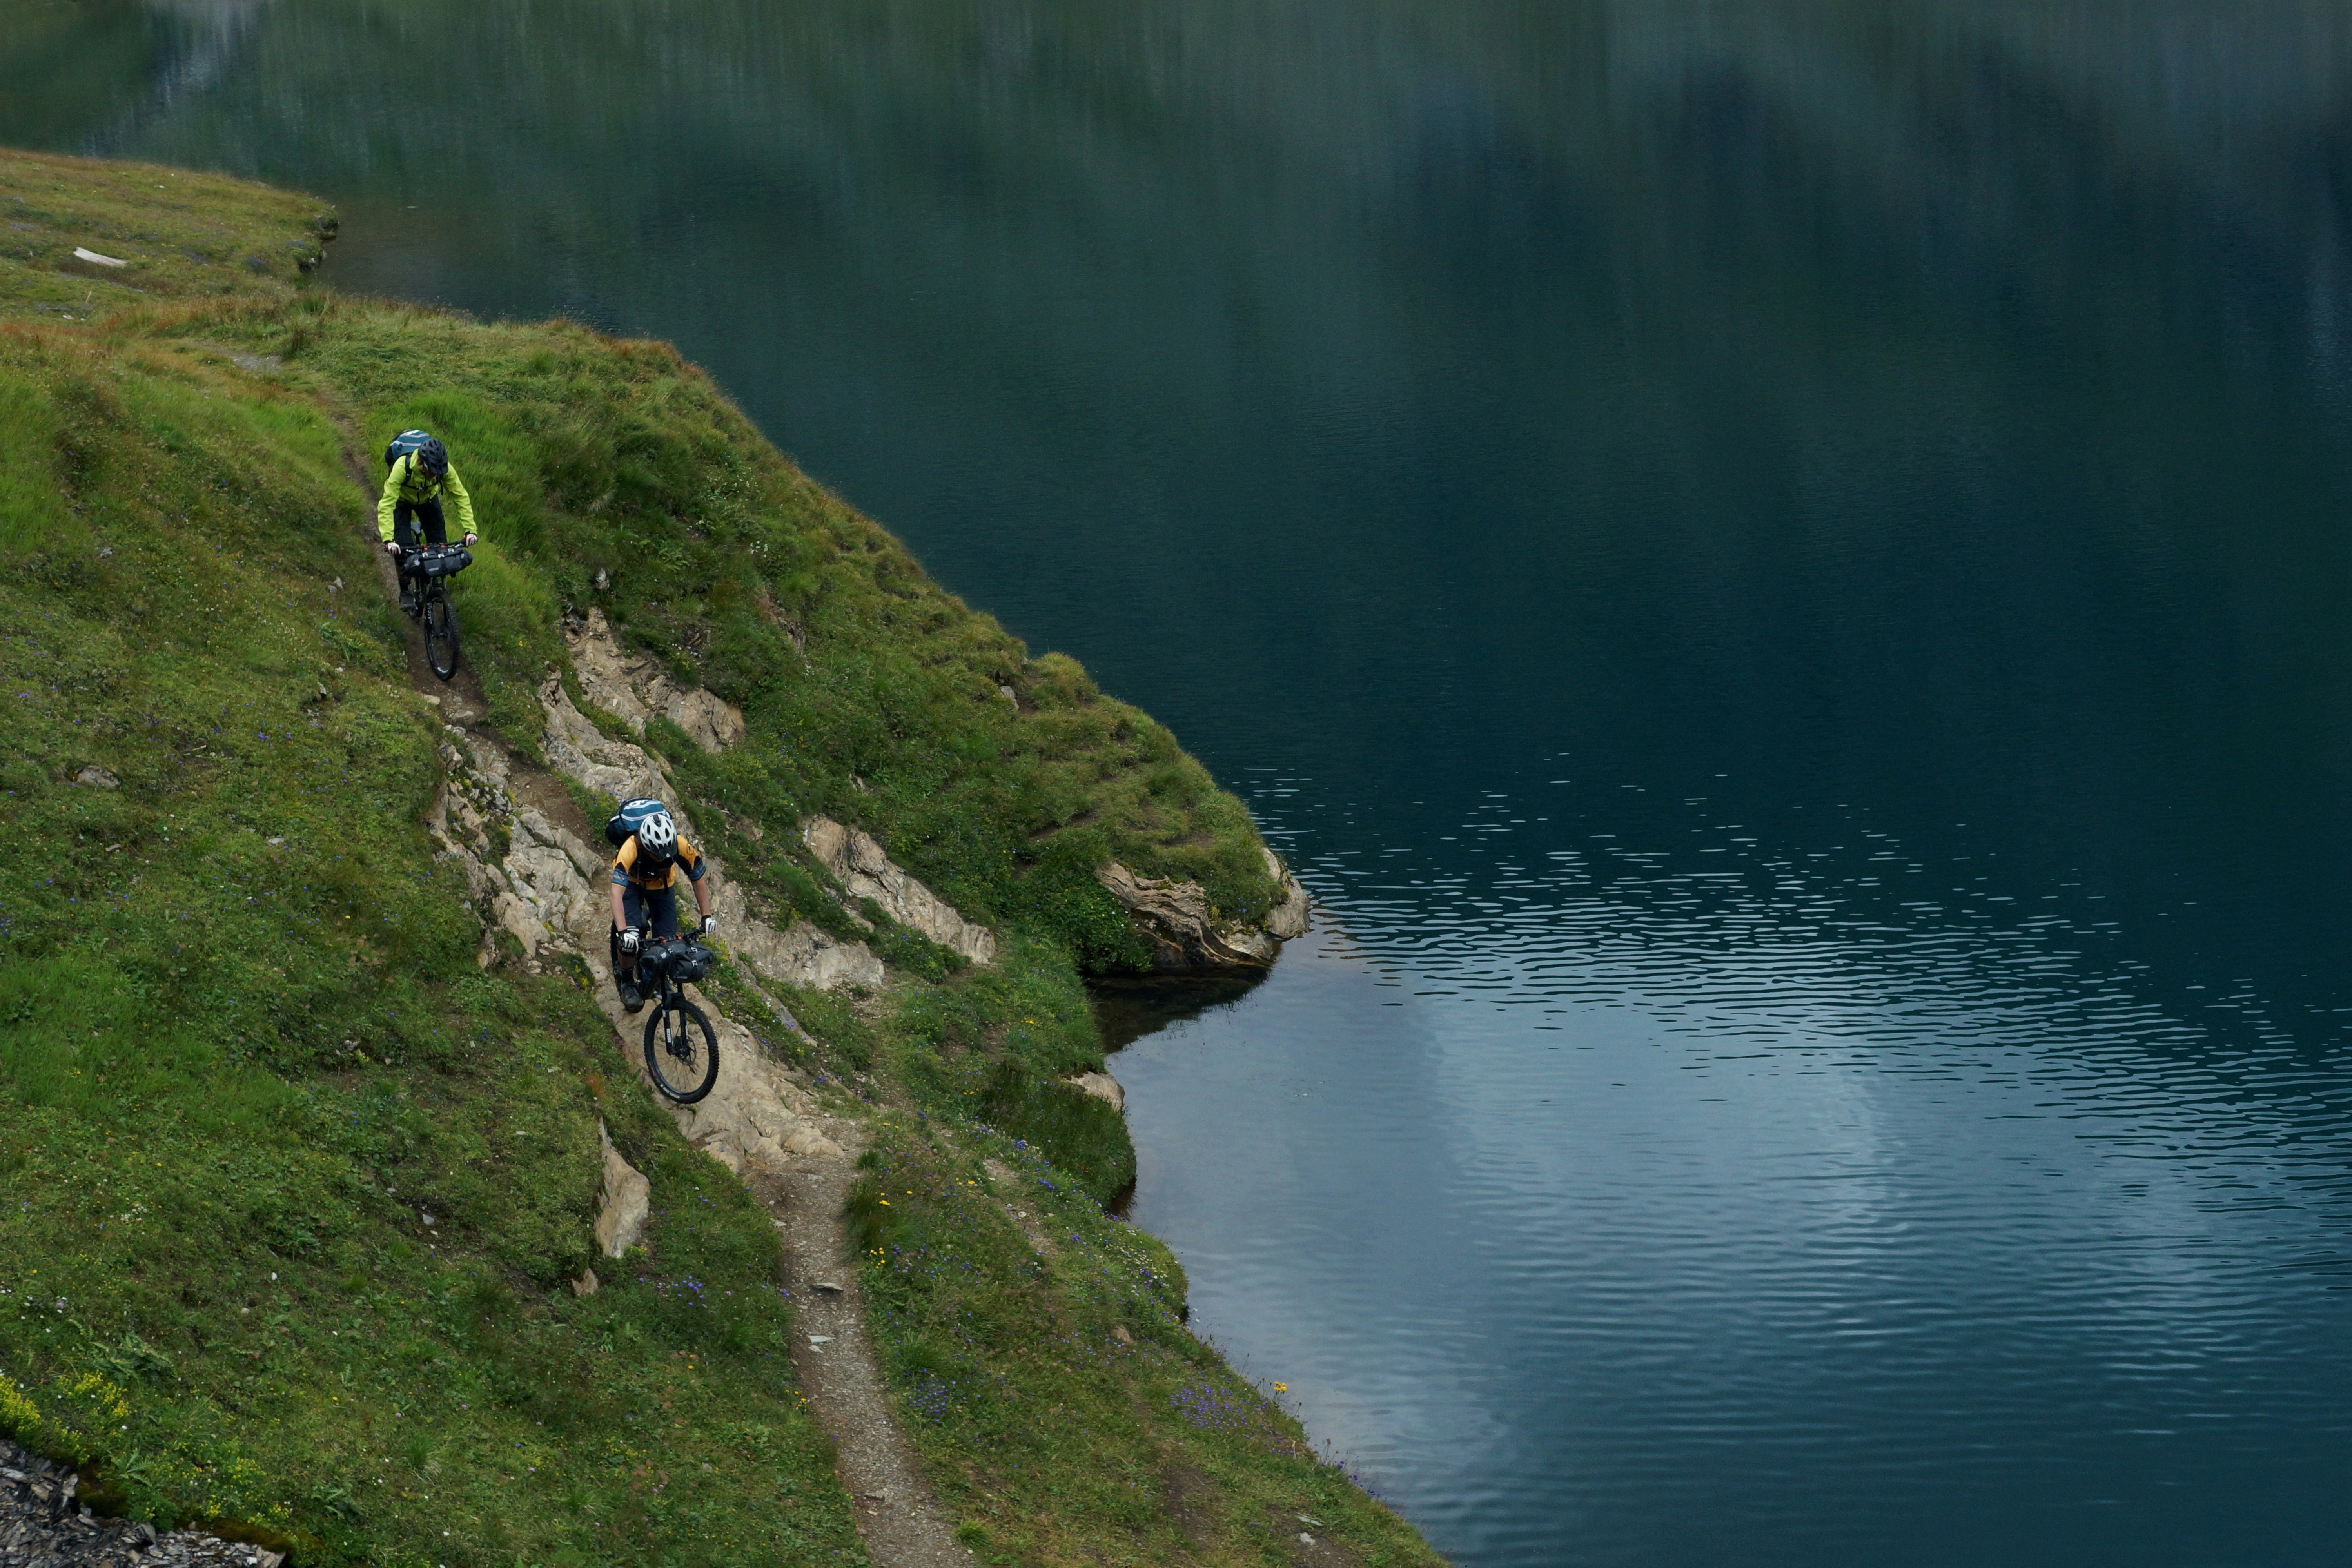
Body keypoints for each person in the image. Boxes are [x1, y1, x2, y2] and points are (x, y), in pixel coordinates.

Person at [609, 809, 716, 1012]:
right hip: (632, 884)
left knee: (669, 943)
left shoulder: (680, 844)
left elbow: (698, 877)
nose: (661, 859)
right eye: (655, 854)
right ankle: (627, 981)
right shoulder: (630, 848)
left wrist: (707, 916)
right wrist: (624, 933)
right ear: (645, 846)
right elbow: (616, 894)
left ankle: (656, 980)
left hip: (662, 885)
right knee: (630, 941)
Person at [377, 432, 478, 613]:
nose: (434, 476)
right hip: (402, 501)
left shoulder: (443, 470)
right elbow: (387, 503)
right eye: (431, 472)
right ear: (420, 463)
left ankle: (437, 585)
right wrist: (388, 539)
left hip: (428, 500)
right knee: (402, 550)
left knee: (441, 548)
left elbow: (461, 497)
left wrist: (470, 530)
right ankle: (405, 589)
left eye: (437, 473)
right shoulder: (402, 468)